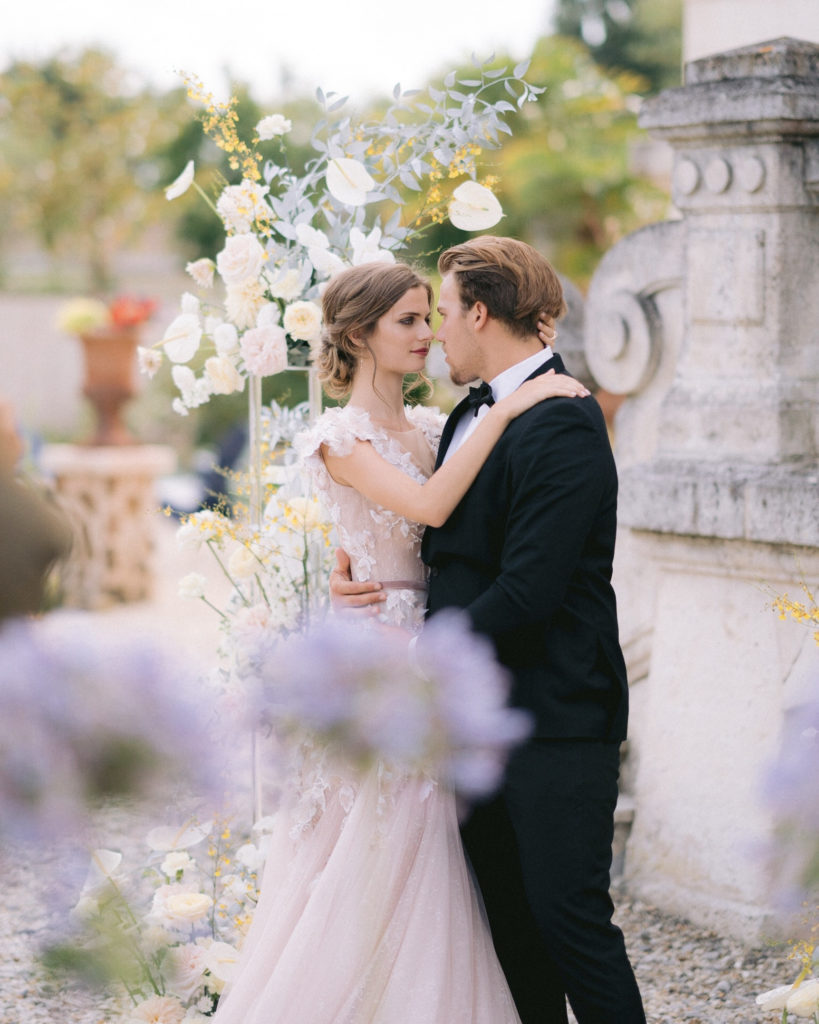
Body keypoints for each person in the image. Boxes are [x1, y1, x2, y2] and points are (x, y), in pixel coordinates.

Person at [211, 261, 588, 1024]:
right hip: (381, 661)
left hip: (443, 653)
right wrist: (510, 411)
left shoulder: (431, 426)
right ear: (359, 335)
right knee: (374, 850)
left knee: (444, 855)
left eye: (428, 317)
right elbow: (426, 505)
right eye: (408, 322)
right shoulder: (336, 437)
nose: (427, 334)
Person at [331, 237, 647, 1024]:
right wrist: (351, 562)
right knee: (509, 933)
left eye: (442, 313)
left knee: (570, 924)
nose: (434, 332)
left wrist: (419, 652)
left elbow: (528, 591)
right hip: (473, 720)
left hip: (553, 715)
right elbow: (430, 531)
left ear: (478, 311)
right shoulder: (470, 412)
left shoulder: (562, 419)